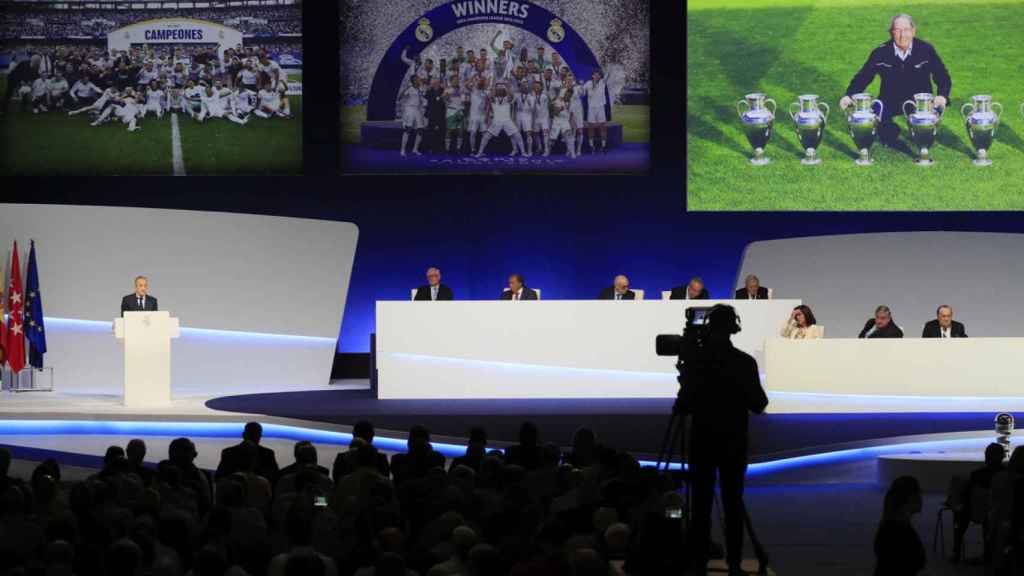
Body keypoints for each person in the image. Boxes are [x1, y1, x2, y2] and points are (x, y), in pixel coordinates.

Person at [684, 304, 768, 575]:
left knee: (699, 504)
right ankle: (733, 563)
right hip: (733, 442)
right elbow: (758, 404)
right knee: (733, 504)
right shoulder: (744, 362)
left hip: (702, 440)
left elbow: (685, 403)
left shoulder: (697, 360)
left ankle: (697, 563)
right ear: (734, 327)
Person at [839, 14, 951, 148]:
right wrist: (849, 95)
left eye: (906, 30)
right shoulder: (880, 53)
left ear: (913, 31)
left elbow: (942, 76)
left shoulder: (926, 50)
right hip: (890, 100)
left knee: (922, 134)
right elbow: (863, 77)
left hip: (919, 102)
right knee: (883, 130)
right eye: (897, 30)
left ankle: (921, 130)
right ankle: (891, 131)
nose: (902, 35)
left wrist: (942, 95)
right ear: (891, 32)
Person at [951, 443, 1006, 563]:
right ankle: (989, 554)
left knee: (959, 515)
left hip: (980, 511)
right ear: (1002, 456)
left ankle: (956, 551)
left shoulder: (977, 474)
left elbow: (967, 495)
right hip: (997, 513)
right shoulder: (1006, 475)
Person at [873, 476, 926, 576]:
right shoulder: (898, 533)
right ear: (911, 498)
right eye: (919, 494)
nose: (922, 498)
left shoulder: (892, 526)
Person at [215, 422, 280, 484]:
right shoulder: (268, 454)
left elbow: (219, 478)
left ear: (244, 435)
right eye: (253, 434)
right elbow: (275, 478)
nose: (254, 437)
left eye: (255, 435)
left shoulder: (229, 452)